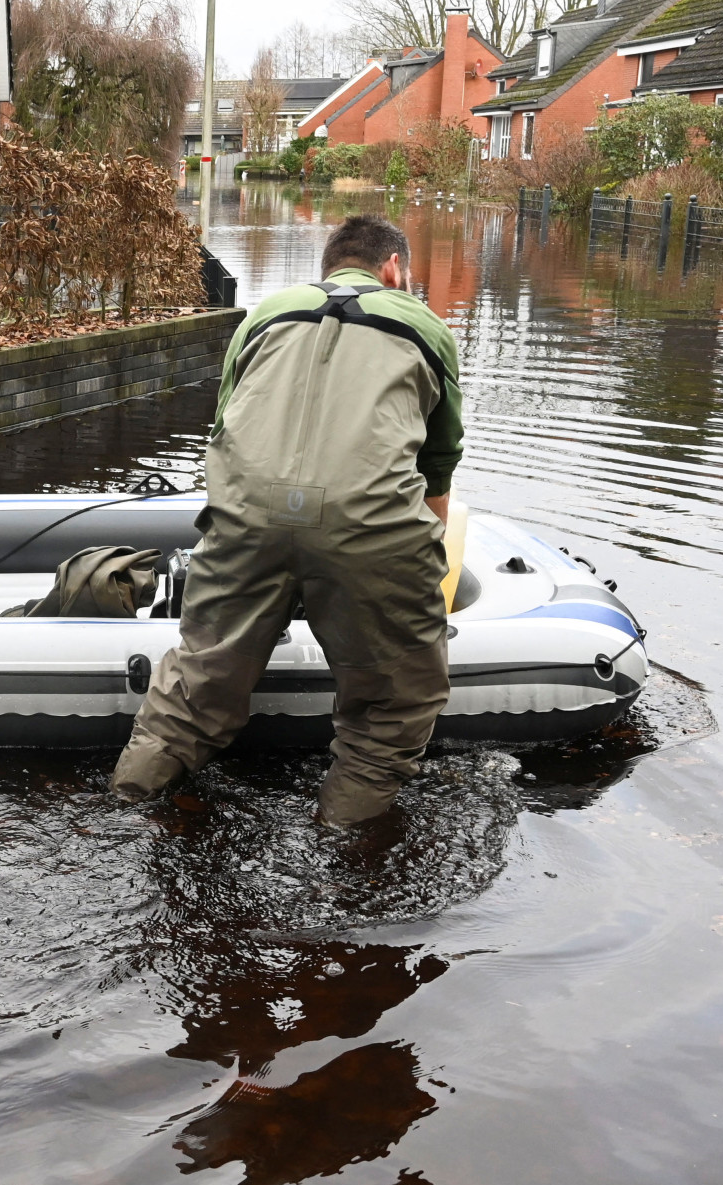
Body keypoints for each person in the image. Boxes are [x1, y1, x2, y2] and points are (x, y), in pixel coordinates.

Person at [113, 214, 462, 826]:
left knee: (196, 686)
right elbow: (436, 470)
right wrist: (421, 586)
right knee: (388, 713)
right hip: (369, 528)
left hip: (249, 518)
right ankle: (341, 848)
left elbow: (226, 429)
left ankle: (123, 808)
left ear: (327, 268)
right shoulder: (425, 327)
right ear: (393, 270)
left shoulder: (264, 315)